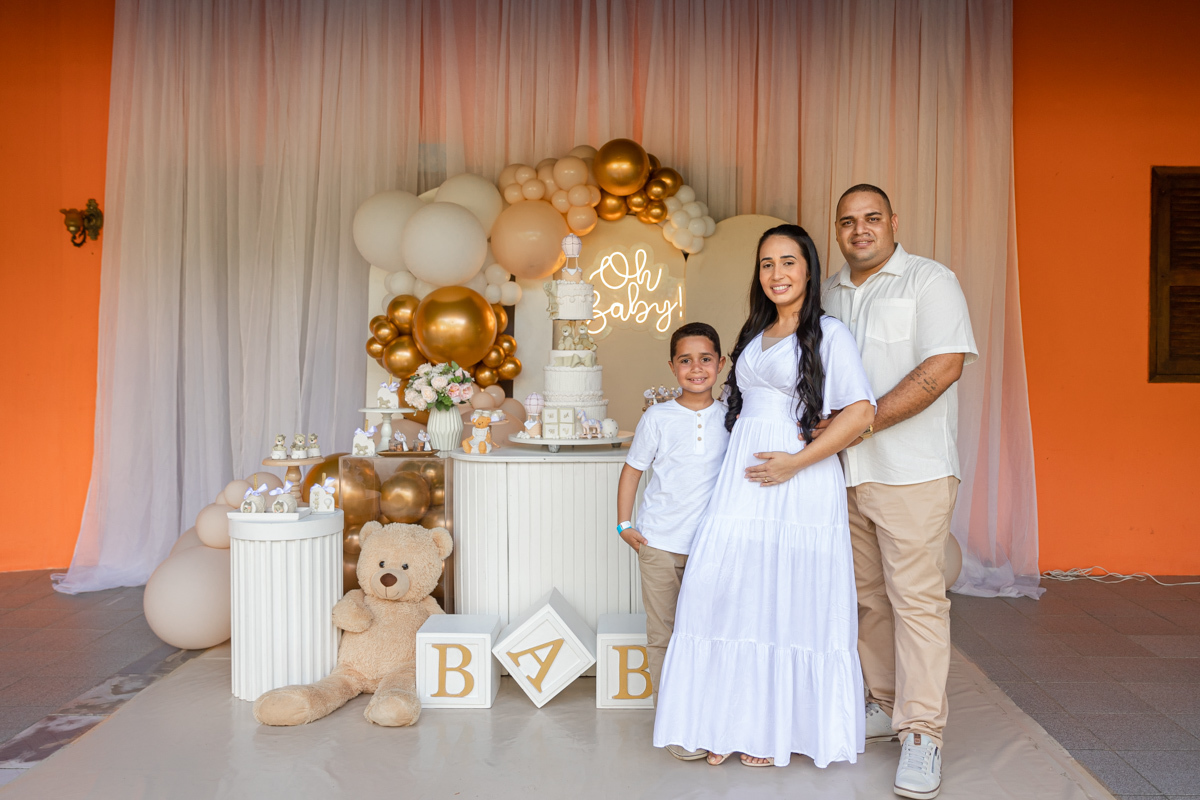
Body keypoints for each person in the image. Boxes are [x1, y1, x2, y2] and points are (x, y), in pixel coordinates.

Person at [653, 224, 876, 768]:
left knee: (787, 597)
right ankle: (727, 722)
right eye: (767, 264)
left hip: (799, 482)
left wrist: (796, 462)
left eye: (788, 262)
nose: (777, 274)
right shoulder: (756, 331)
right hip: (742, 479)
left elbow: (861, 411)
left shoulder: (828, 334)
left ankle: (770, 732)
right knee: (725, 589)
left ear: (809, 269)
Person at [817, 184, 977, 800]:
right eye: (847, 221)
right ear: (837, 230)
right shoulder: (829, 293)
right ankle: (885, 705)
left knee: (917, 603)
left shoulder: (930, 281)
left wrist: (858, 424)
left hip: (912, 471)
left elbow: (942, 368)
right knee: (867, 601)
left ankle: (923, 733)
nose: (860, 230)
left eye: (871, 218)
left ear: (893, 222)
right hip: (845, 475)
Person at [617, 322, 730, 762]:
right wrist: (624, 525)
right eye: (686, 360)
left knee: (708, 634)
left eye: (705, 359)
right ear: (672, 367)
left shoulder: (733, 418)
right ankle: (675, 724)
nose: (696, 368)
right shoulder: (658, 418)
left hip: (712, 548)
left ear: (721, 364)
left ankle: (711, 717)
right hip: (660, 545)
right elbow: (633, 470)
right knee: (664, 635)